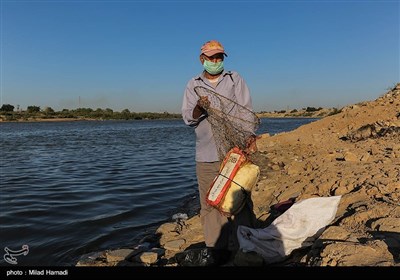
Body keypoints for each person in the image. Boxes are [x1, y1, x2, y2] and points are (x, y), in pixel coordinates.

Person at [181, 40, 256, 266]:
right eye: (212, 57)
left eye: (219, 57)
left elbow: (246, 112)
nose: (216, 61)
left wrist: (249, 139)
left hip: (234, 153)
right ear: (202, 59)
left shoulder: (235, 79)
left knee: (240, 201)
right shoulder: (192, 85)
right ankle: (217, 250)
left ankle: (246, 246)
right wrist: (199, 108)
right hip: (206, 155)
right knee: (210, 203)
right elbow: (187, 117)